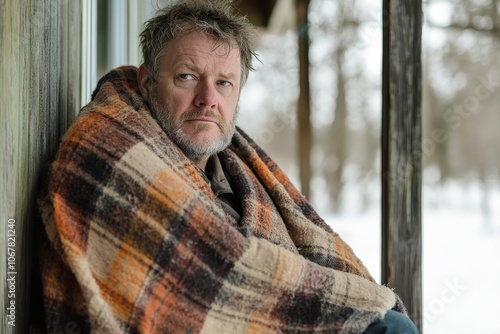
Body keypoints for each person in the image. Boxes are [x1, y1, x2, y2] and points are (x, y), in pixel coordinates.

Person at [33, 0, 419, 333]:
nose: (207, 99)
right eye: (187, 77)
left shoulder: (236, 167)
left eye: (224, 83)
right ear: (148, 82)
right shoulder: (108, 153)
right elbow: (204, 286)